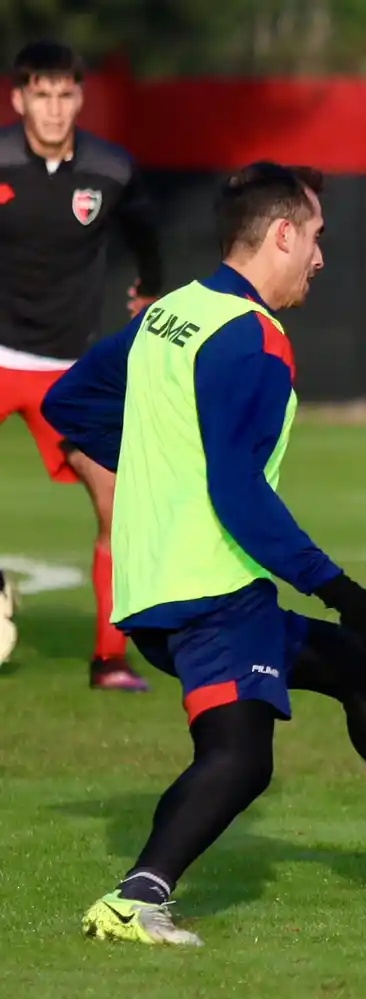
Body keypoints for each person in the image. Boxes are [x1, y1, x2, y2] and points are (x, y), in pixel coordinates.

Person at [42, 161, 366, 947]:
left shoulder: (171, 312)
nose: (320, 256)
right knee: (241, 759)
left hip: (154, 589)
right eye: (315, 236)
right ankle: (134, 898)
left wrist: (160, 465)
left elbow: (67, 401)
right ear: (281, 233)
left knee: (360, 669)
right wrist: (337, 585)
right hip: (215, 587)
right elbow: (239, 493)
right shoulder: (254, 340)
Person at [0, 40, 162, 690]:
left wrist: (149, 286)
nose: (54, 108)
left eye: (65, 94)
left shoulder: (111, 169)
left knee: (118, 501)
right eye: (41, 94)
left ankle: (109, 658)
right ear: (18, 100)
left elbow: (145, 231)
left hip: (70, 370)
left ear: (79, 98)